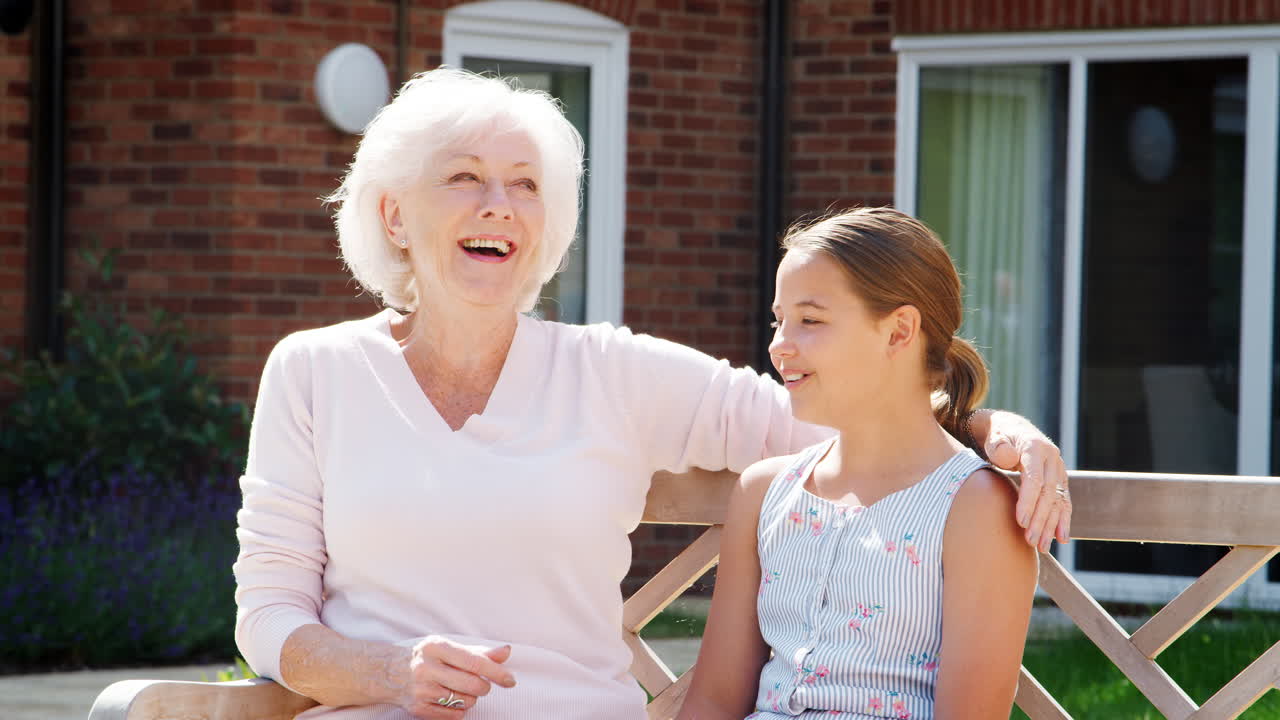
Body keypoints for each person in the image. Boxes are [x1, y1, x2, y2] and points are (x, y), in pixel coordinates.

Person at [232, 69, 1067, 720]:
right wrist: (386, 671)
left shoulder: (614, 373)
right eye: (464, 178)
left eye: (526, 185)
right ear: (393, 217)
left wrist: (993, 427)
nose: (501, 206)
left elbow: (850, 414)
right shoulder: (314, 373)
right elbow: (268, 616)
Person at [675, 207, 1040, 720]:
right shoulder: (763, 492)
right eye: (779, 320)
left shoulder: (975, 510)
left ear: (899, 332)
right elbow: (713, 702)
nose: (779, 345)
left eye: (811, 320)